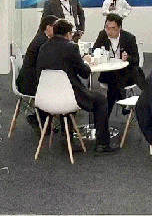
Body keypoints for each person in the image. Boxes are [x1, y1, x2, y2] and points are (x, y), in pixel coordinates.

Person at [35, 19, 116, 153]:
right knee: (101, 100)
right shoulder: (71, 47)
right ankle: (102, 144)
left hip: (46, 97)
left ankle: (67, 139)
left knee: (65, 101)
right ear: (68, 34)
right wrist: (86, 62)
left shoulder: (43, 47)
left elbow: (40, 72)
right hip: (68, 96)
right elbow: (84, 73)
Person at [91, 12, 146, 108]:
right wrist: (97, 54)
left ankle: (108, 109)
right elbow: (94, 50)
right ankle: (123, 103)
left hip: (126, 72)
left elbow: (136, 60)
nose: (109, 31)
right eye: (107, 27)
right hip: (108, 71)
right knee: (114, 78)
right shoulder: (103, 35)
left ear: (119, 28)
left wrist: (127, 57)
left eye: (113, 28)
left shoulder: (129, 38)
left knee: (114, 81)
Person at [18, 15, 58, 128]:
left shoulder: (42, 38)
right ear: (48, 28)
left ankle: (44, 120)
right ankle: (42, 121)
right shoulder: (43, 42)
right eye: (56, 27)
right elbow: (49, 64)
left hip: (29, 79)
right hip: (30, 83)